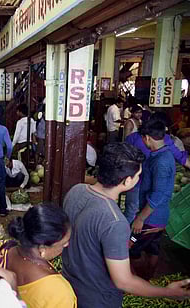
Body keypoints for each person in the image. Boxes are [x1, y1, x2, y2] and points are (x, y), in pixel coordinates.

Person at [62, 143, 190, 307]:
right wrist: (168, 292)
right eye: (138, 176)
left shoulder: (76, 191)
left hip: (69, 289)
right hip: (98, 300)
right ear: (127, 180)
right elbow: (123, 281)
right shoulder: (114, 220)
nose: (138, 180)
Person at [0, 203, 76, 307]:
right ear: (42, 248)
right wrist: (14, 297)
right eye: (64, 242)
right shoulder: (60, 293)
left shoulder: (4, 250)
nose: (67, 244)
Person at [130, 120, 175, 280]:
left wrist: (140, 218)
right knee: (152, 248)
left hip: (150, 219)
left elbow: (158, 194)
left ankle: (141, 280)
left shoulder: (161, 161)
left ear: (147, 138)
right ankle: (149, 278)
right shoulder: (163, 154)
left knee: (131, 246)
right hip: (158, 216)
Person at [124, 114, 190, 223]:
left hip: (134, 181)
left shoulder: (133, 137)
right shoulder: (165, 140)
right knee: (144, 214)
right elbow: (182, 158)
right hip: (149, 184)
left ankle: (126, 237)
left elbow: (123, 157)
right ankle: (133, 235)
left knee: (131, 211)